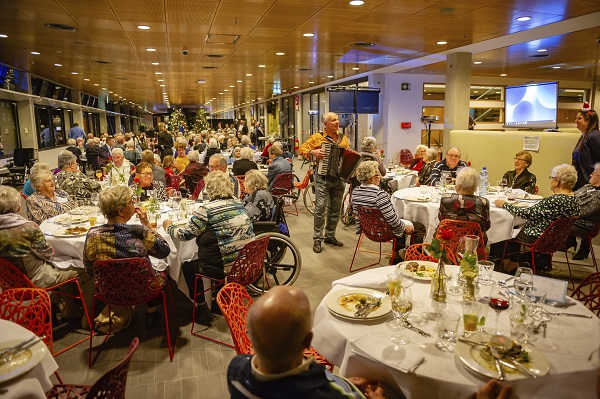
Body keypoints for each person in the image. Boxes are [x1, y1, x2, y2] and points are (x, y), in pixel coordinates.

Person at [227, 285, 381, 399]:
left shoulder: (235, 370)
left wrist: (337, 380)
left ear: (251, 339)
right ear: (308, 341)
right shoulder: (331, 395)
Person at [163, 171, 254, 325]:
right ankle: (219, 297)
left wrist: (168, 227)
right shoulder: (237, 203)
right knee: (213, 249)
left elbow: (185, 235)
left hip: (225, 268)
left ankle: (202, 308)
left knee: (188, 265)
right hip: (245, 264)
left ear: (208, 189)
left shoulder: (207, 209)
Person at [83, 185, 171, 329]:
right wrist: (148, 224)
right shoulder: (138, 232)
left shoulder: (92, 235)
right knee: (163, 268)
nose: (134, 204)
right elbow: (164, 251)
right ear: (120, 211)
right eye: (131, 202)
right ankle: (151, 313)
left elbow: (89, 270)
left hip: (109, 291)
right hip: (142, 290)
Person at [0, 186, 86, 320]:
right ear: (17, 207)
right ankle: (76, 310)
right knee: (80, 266)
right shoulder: (27, 228)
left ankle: (60, 303)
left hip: (9, 282)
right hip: (36, 279)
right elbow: (47, 254)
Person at [493, 164, 580, 273]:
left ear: (557, 181)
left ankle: (508, 264)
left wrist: (504, 204)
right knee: (513, 226)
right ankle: (513, 262)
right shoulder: (574, 200)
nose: (550, 180)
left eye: (551, 178)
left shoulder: (554, 200)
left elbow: (526, 213)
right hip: (557, 239)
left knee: (503, 228)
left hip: (539, 236)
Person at [352, 161, 424, 262]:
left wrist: (361, 228)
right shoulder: (379, 194)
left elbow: (357, 214)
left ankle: (395, 256)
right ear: (370, 179)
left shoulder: (355, 192)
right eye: (377, 174)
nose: (381, 176)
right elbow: (392, 220)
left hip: (369, 230)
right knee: (419, 228)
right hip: (383, 231)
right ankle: (412, 259)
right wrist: (404, 227)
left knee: (400, 221)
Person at [298, 112, 349, 253]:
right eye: (333, 120)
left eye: (337, 120)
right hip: (322, 177)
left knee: (335, 210)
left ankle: (330, 236)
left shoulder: (343, 139)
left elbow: (348, 156)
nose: (337, 122)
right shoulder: (317, 137)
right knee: (320, 209)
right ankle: (317, 239)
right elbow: (301, 149)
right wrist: (312, 153)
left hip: (339, 179)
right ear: (325, 124)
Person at [438, 167, 491, 244]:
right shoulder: (483, 202)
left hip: (448, 243)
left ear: (458, 184)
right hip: (475, 246)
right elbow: (487, 226)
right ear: (476, 186)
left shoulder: (446, 199)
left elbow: (441, 219)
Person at [565, 162, 600, 260]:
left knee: (547, 222)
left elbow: (581, 211)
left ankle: (541, 258)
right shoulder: (588, 186)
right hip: (571, 219)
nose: (590, 175)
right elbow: (571, 195)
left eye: (593, 173)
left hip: (582, 225)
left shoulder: (598, 196)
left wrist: (562, 206)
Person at [572, 103, 600, 190]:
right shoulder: (584, 136)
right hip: (580, 180)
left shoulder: (594, 135)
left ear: (589, 121)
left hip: (589, 180)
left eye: (579, 119)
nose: (576, 121)